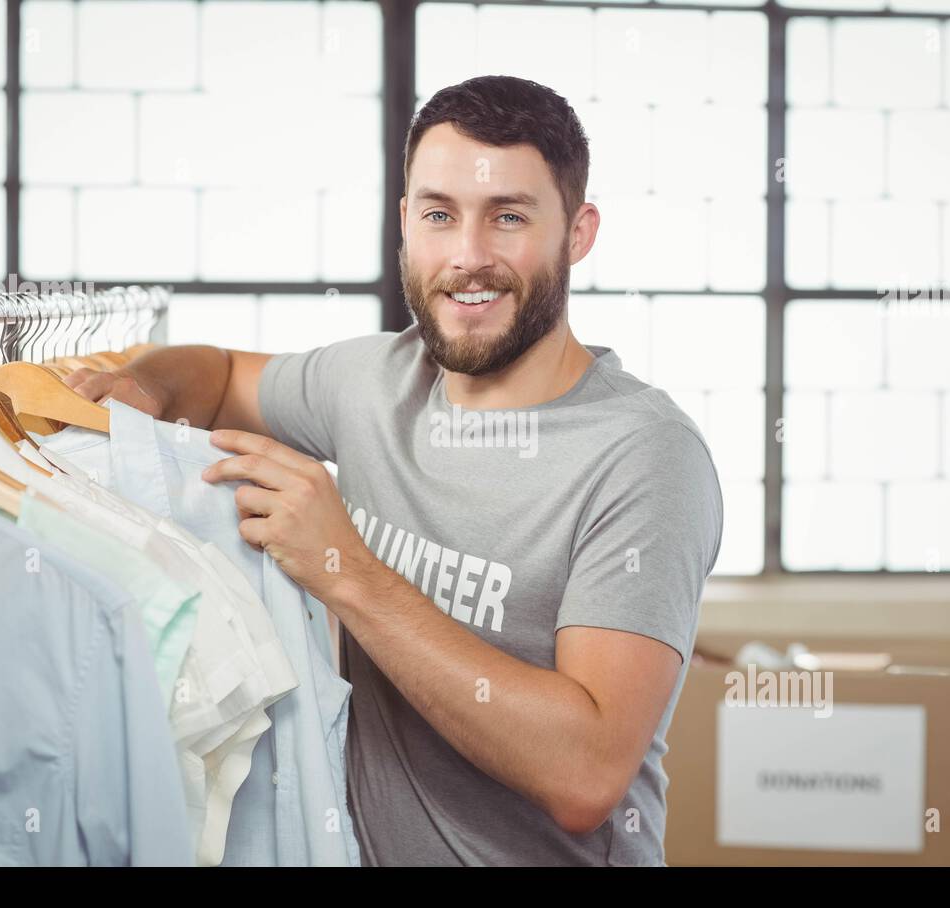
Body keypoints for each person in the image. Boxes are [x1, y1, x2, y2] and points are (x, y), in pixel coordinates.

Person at [66, 74, 724, 866]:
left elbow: (584, 773)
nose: (468, 258)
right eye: (440, 215)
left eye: (508, 217)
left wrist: (343, 568)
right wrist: (146, 389)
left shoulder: (645, 456)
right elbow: (218, 370)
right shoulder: (375, 381)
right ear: (406, 224)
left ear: (577, 233)